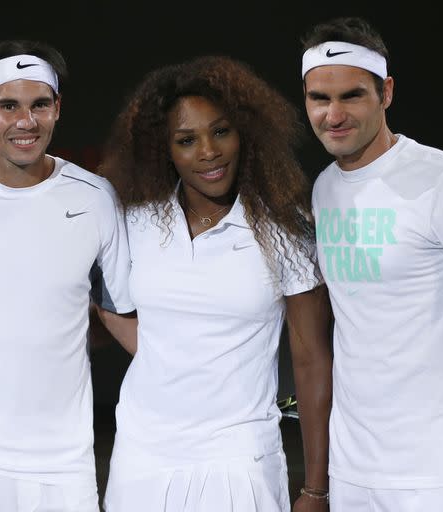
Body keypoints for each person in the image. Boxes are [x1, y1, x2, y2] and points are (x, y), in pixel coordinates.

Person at [96, 55, 333, 512]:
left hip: (240, 460)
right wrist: (170, 354)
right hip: (142, 458)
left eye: (221, 131)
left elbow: (311, 359)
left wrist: (316, 487)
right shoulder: (134, 224)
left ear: (246, 132)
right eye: (187, 140)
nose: (209, 151)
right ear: (163, 148)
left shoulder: (286, 231)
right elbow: (108, 304)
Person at [0, 40, 133, 511]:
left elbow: (120, 313)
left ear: (58, 108)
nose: (25, 122)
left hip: (62, 462)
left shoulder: (97, 197)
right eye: (7, 105)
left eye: (39, 105)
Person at [301, 16, 443, 511]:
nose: (333, 114)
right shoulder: (324, 188)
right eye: (319, 98)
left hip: (440, 471)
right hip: (353, 469)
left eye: (352, 95)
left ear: (387, 93)